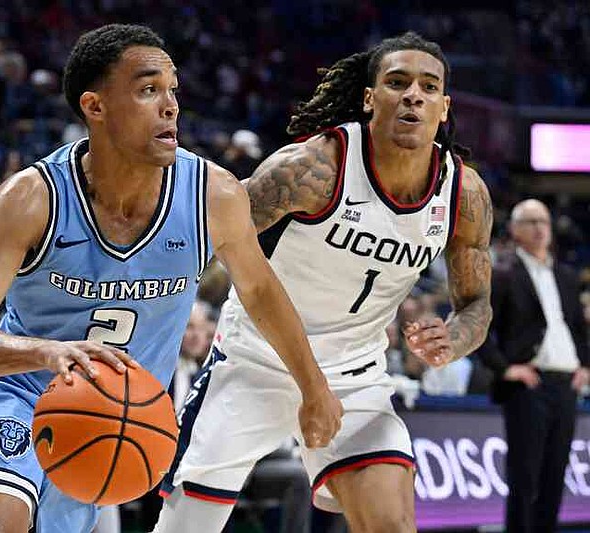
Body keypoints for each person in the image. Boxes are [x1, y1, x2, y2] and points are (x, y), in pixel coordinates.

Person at [0, 24, 342, 533]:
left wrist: (314, 387)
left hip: (120, 419)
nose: (170, 107)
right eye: (148, 90)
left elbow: (260, 292)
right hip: (21, 396)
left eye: (173, 90)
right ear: (95, 106)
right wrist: (47, 353)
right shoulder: (32, 198)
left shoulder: (213, 195)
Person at [155, 31, 494, 533]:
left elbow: (477, 304)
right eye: (397, 82)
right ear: (369, 98)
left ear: (444, 107)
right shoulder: (312, 168)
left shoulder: (463, 194)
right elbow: (206, 237)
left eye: (428, 87)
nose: (413, 95)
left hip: (355, 375)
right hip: (255, 360)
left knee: (391, 525)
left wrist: (455, 338)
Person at [477, 199, 589, 533]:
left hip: (566, 385)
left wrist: (584, 366)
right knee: (525, 477)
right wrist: (505, 369)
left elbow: (577, 330)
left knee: (555, 475)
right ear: (514, 229)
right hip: (528, 385)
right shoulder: (503, 274)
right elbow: (478, 329)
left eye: (544, 221)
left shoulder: (566, 276)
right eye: (531, 222)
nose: (540, 228)